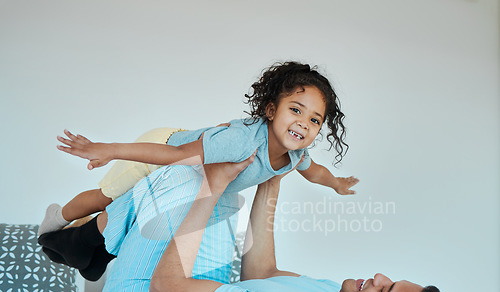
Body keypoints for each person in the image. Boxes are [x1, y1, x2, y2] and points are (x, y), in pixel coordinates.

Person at [40, 154, 452, 292]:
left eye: (386, 290)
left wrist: (210, 187)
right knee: (226, 181)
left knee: (188, 175)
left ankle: (89, 239)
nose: (379, 276)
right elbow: (262, 274)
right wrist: (275, 175)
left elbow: (166, 287)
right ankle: (90, 241)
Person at [37, 61, 358, 249]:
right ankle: (57, 219)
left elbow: (316, 171)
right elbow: (175, 154)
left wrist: (337, 184)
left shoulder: (294, 157)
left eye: (315, 120)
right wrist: (110, 149)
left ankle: (81, 241)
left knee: (129, 216)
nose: (304, 122)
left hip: (180, 175)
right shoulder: (242, 143)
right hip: (161, 152)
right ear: (271, 110)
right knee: (104, 198)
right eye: (296, 110)